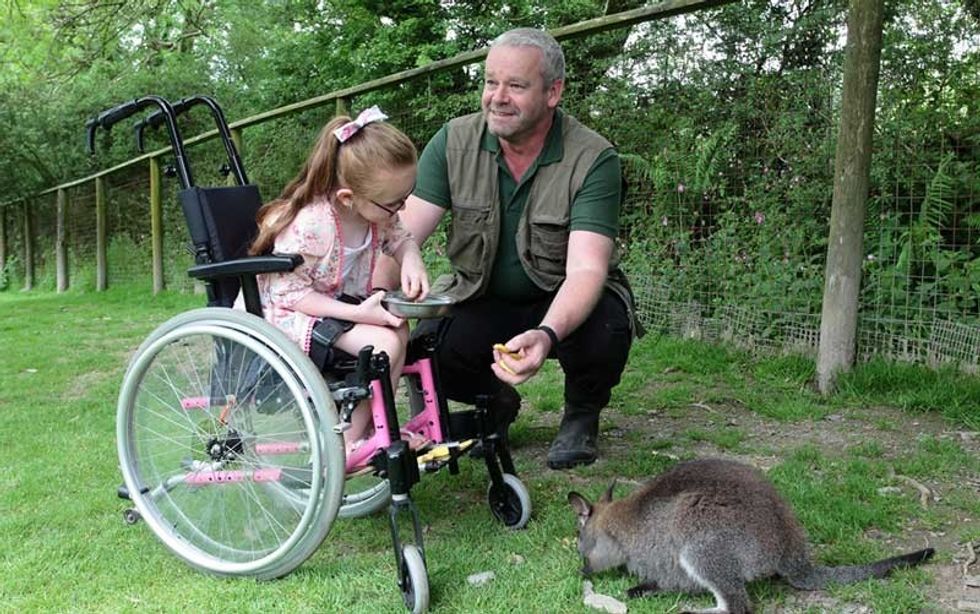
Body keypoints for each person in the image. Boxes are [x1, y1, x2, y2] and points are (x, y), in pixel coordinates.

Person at [396, 28, 642, 469]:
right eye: (491, 82)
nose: (498, 97)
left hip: (563, 296)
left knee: (606, 327)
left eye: (516, 85)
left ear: (553, 92)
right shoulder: (452, 143)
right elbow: (402, 236)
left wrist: (546, 335)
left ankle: (582, 414)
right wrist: (370, 308)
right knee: (426, 349)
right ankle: (496, 402)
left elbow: (587, 270)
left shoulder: (593, 158)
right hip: (484, 296)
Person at [245, 106, 430, 456]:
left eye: (407, 196)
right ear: (348, 197)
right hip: (284, 314)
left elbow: (400, 237)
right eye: (394, 203)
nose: (401, 209)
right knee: (386, 345)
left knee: (399, 330)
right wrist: (360, 313)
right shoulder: (314, 224)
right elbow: (290, 293)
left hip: (329, 305)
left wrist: (412, 259)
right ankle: (347, 440)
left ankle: (378, 423)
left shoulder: (375, 212)